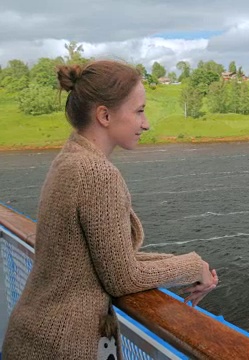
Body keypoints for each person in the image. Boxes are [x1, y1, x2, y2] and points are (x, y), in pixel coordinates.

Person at [1, 60, 218, 359]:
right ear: (104, 115)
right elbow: (122, 277)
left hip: (35, 336)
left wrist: (191, 264)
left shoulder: (70, 160)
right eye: (139, 111)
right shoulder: (96, 174)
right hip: (61, 346)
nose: (146, 123)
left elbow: (106, 259)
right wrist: (192, 267)